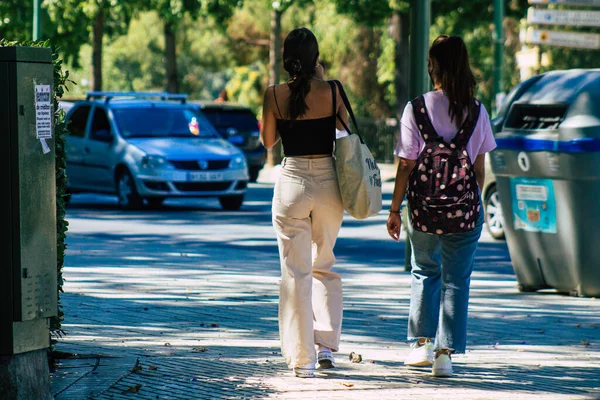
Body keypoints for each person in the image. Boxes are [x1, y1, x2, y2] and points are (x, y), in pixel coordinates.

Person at [386, 35, 496, 377]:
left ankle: (422, 345)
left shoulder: (415, 108)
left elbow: (405, 164)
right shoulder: (477, 111)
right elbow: (478, 170)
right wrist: (465, 203)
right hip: (464, 211)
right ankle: (445, 356)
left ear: (433, 65)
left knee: (425, 270)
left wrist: (394, 208)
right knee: (457, 280)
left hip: (423, 210)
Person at [260, 27, 349, 379]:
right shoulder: (332, 90)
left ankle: (303, 359)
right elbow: (343, 129)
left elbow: (268, 142)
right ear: (315, 59)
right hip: (328, 181)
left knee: (295, 273)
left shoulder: (274, 94)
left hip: (292, 180)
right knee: (323, 264)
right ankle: (326, 347)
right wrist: (322, 81)